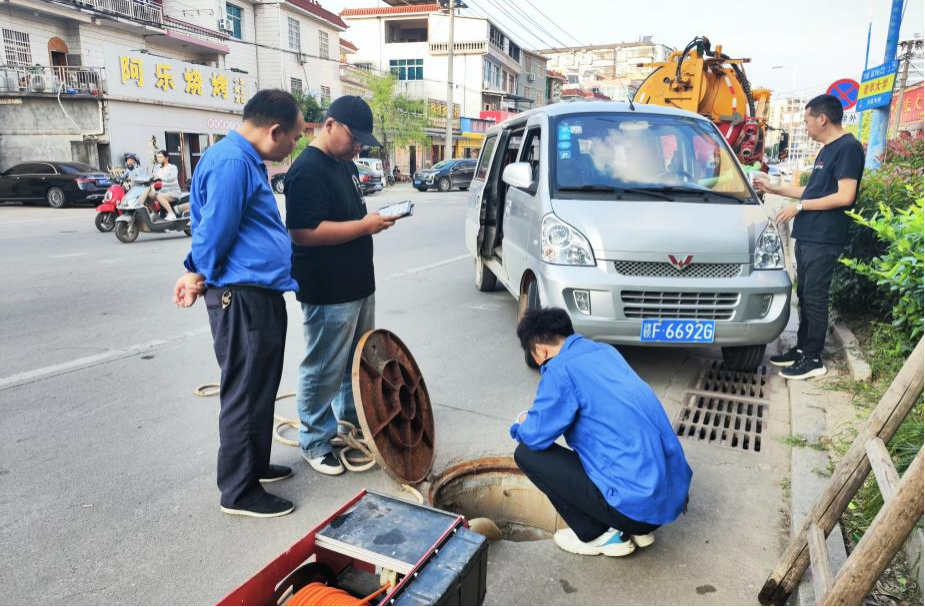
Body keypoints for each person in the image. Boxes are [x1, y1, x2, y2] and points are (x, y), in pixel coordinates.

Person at [173, 89, 305, 518]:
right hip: (242, 296)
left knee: (260, 387)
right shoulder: (232, 161)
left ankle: (255, 463)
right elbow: (214, 231)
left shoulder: (245, 158)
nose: (294, 145)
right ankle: (239, 491)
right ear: (275, 131)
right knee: (245, 392)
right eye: (294, 138)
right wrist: (196, 273)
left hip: (258, 294)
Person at [511, 307, 693, 557]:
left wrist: (520, 423)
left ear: (540, 349)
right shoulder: (606, 351)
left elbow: (535, 434)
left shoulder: (560, 370)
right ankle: (637, 528)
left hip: (634, 508)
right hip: (668, 499)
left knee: (526, 454)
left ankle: (597, 535)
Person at [285, 95, 397, 476]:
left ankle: (349, 425)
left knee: (356, 362)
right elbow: (303, 232)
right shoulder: (307, 170)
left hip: (358, 284)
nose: (358, 146)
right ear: (329, 125)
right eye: (354, 137)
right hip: (328, 288)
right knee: (323, 366)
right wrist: (365, 227)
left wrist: (371, 223)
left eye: (363, 141)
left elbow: (350, 217)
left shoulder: (344, 164)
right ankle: (314, 440)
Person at [755, 94, 865, 380]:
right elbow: (812, 192)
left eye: (806, 120)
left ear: (822, 118)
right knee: (804, 294)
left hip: (825, 238)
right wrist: (774, 189)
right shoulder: (826, 150)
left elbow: (845, 196)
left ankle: (814, 358)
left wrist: (800, 207)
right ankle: (803, 349)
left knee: (815, 297)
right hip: (809, 235)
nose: (805, 126)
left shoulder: (848, 148)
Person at [153, 150, 183, 220]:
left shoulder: (172, 167)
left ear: (166, 158)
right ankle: (155, 213)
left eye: (160, 157)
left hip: (173, 192)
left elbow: (172, 178)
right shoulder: (159, 170)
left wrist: (160, 178)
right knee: (150, 196)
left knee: (159, 196)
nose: (159, 159)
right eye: (158, 157)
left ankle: (171, 213)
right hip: (163, 192)